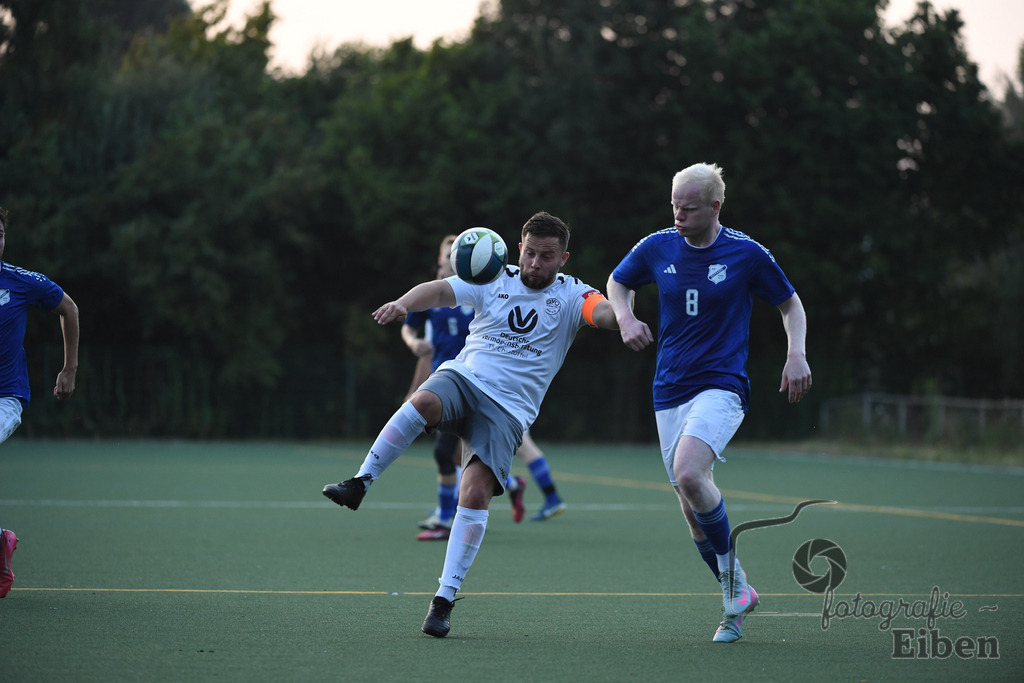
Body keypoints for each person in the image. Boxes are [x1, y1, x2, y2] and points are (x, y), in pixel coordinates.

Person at [323, 211, 618, 637]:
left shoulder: (573, 295)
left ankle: (443, 600)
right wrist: (404, 303)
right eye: (530, 253)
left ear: (564, 258)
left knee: (476, 491)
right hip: (466, 377)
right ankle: (359, 483)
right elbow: (440, 289)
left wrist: (624, 318)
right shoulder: (493, 277)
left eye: (547, 256)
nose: (536, 263)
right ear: (519, 249)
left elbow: (602, 312)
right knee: (423, 398)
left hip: (511, 410)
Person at [606, 163, 811, 644]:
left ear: (716, 207)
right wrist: (625, 317)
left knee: (690, 474)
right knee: (687, 498)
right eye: (674, 204)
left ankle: (733, 594)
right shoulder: (657, 246)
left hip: (722, 385)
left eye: (689, 207)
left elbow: (790, 304)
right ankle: (737, 589)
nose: (678, 213)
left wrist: (796, 353)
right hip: (668, 389)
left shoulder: (746, 253)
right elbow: (618, 283)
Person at [403, 236, 567, 541]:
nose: (452, 258)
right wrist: (414, 352)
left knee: (452, 452)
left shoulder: (479, 289)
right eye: (447, 254)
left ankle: (446, 516)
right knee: (457, 455)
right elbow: (416, 338)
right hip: (449, 384)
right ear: (440, 259)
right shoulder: (436, 297)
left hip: (488, 386)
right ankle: (513, 487)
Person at [0, 205, 80, 598]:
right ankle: (0, 543)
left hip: (5, 398)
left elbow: (69, 308)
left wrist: (69, 369)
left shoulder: (19, 281)